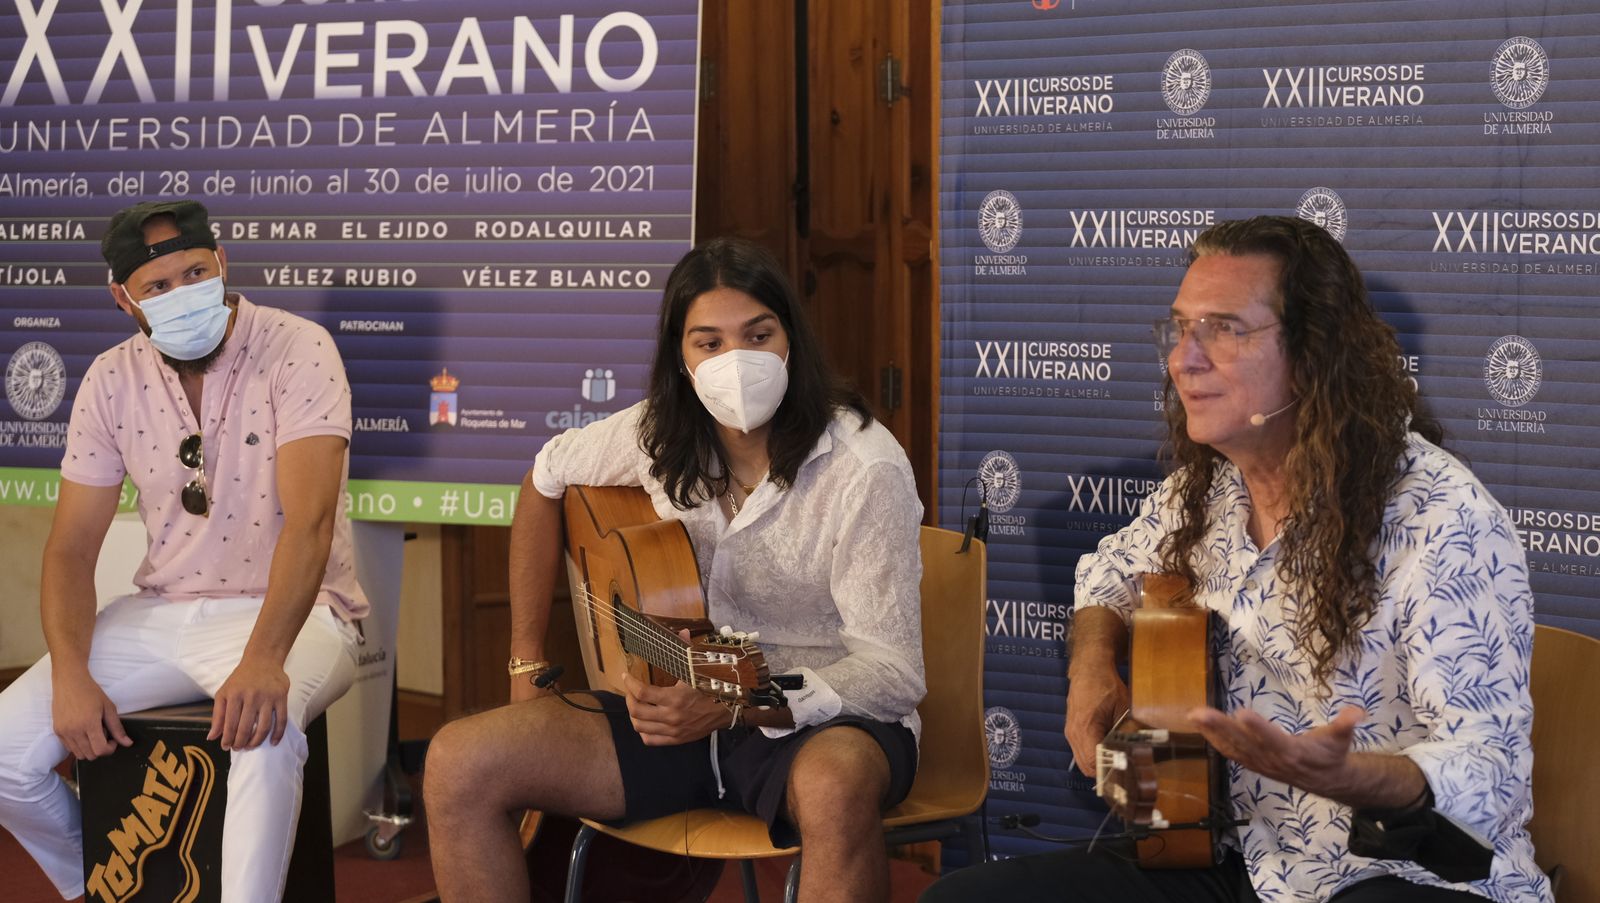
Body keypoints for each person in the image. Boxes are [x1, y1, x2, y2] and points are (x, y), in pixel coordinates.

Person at [922, 216, 1550, 903]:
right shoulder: (1208, 489)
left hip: (1398, 871)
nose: (1183, 359)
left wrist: (1349, 775)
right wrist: (1093, 667)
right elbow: (1108, 571)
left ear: (1313, 354)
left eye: (1224, 329)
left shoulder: (1442, 515)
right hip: (1237, 857)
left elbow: (1488, 770)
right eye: (1180, 328)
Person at [424, 237, 925, 903]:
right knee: (458, 762)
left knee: (837, 787)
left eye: (757, 334)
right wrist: (525, 660)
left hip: (818, 725)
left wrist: (739, 703)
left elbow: (893, 673)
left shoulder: (864, 468)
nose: (735, 360)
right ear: (681, 359)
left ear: (791, 341)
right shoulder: (660, 433)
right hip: (670, 715)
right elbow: (545, 477)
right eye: (708, 342)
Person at [0, 200, 368, 903]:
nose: (181, 294)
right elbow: (71, 550)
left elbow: (312, 523)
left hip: (301, 611)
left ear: (222, 263)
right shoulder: (109, 379)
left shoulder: (299, 346)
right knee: (5, 753)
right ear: (123, 298)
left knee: (264, 732)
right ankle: (114, 880)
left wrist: (263, 657)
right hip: (163, 611)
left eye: (195, 272)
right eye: (157, 286)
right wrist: (72, 673)